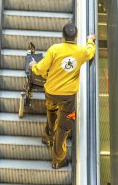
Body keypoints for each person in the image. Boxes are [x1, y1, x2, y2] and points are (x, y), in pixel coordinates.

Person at [30, 23, 96, 169]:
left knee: (51, 112)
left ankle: (48, 137)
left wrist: (33, 66)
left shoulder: (55, 49)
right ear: (76, 36)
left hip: (51, 92)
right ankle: (58, 159)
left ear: (62, 36)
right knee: (64, 127)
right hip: (68, 97)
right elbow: (90, 52)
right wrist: (90, 40)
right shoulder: (80, 51)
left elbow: (40, 69)